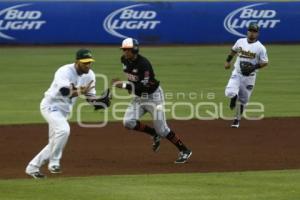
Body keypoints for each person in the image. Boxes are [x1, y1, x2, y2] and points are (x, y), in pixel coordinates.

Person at [25, 49, 110, 179]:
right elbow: (65, 91)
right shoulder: (64, 71)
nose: (88, 65)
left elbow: (90, 97)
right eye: (85, 63)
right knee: (64, 130)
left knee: (54, 142)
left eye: (89, 62)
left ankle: (32, 167)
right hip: (50, 106)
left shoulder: (90, 75)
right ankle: (54, 163)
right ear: (77, 62)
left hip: (64, 111)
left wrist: (99, 102)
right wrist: (81, 91)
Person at [112, 38, 192, 164]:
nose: (125, 52)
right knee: (128, 122)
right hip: (139, 98)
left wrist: (124, 86)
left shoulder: (144, 64)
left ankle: (185, 150)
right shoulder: (124, 60)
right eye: (124, 50)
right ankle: (154, 134)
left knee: (163, 130)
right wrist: (129, 86)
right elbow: (133, 79)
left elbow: (143, 86)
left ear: (135, 49)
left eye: (127, 50)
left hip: (154, 97)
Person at [224, 23, 269, 128]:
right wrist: (227, 61)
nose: (252, 33)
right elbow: (233, 51)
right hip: (237, 73)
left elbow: (265, 62)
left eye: (254, 31)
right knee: (230, 91)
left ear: (257, 33)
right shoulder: (240, 41)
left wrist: (254, 67)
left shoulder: (260, 48)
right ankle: (233, 97)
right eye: (250, 31)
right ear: (247, 31)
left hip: (250, 77)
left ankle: (236, 120)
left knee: (244, 101)